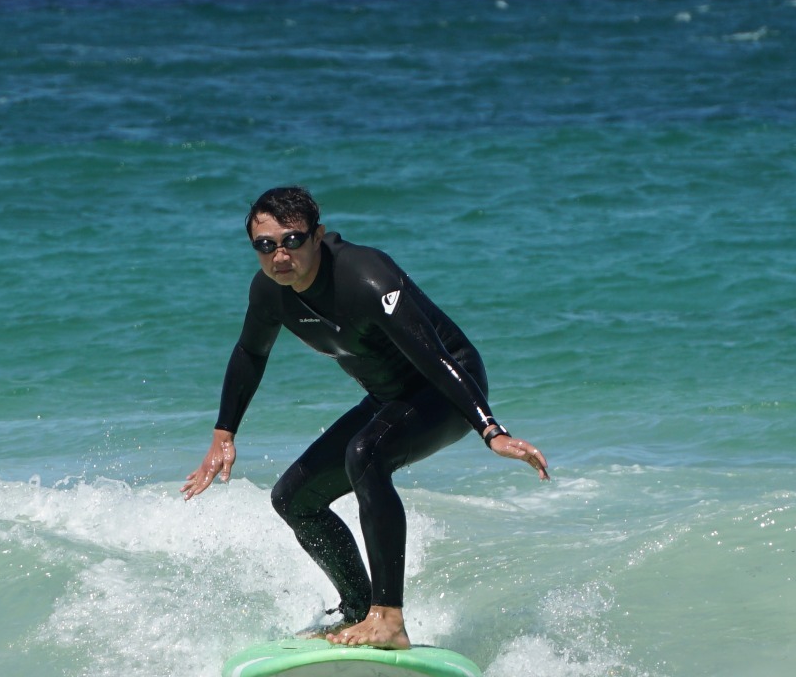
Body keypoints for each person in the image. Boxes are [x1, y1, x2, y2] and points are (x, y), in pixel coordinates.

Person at [181, 186, 550, 650]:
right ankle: (358, 609)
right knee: (294, 499)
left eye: (292, 241)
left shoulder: (366, 276)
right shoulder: (270, 292)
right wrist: (224, 432)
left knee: (366, 453)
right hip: (388, 399)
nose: (279, 256)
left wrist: (490, 428)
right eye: (265, 245)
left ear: (317, 236)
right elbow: (250, 353)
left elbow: (435, 358)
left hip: (446, 390)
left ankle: (389, 618)